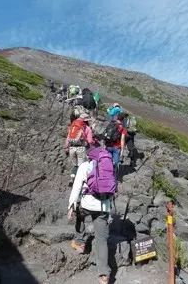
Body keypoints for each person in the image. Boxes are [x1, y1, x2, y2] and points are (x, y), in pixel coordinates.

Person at [68, 147, 116, 284]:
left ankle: (80, 243)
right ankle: (104, 275)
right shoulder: (109, 165)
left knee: (80, 214)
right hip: (103, 206)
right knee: (102, 240)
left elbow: (77, 186)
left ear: (90, 156)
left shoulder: (84, 166)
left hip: (87, 204)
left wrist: (71, 204)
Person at [65, 113, 94, 178]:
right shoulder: (87, 128)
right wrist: (93, 142)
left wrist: (66, 147)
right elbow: (89, 141)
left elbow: (68, 137)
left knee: (75, 165)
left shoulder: (73, 126)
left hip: (72, 148)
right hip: (81, 148)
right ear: (86, 120)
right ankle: (79, 180)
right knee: (81, 166)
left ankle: (73, 177)